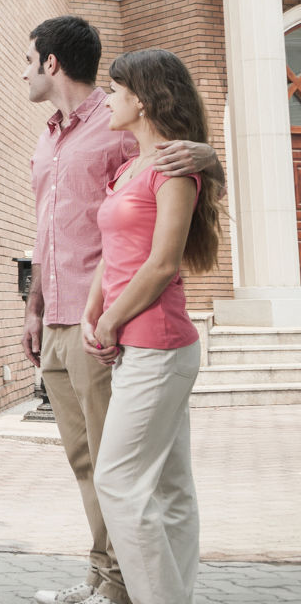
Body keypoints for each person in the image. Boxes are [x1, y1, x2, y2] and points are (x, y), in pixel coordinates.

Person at [21, 16, 222, 604]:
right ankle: (107, 579)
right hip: (65, 314)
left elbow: (173, 207)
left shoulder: (119, 130)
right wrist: (34, 308)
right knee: (92, 464)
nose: (23, 70)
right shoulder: (50, 138)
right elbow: (47, 231)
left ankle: (122, 588)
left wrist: (210, 158)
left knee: (124, 475)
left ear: (51, 62)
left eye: (27, 58)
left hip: (126, 327)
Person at [82, 49, 221, 604]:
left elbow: (163, 263)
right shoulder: (128, 168)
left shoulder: (175, 168)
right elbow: (112, 252)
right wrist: (95, 310)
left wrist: (112, 320)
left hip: (158, 343)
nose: (108, 100)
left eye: (114, 91)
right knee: (167, 487)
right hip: (135, 343)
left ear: (139, 98)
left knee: (117, 481)